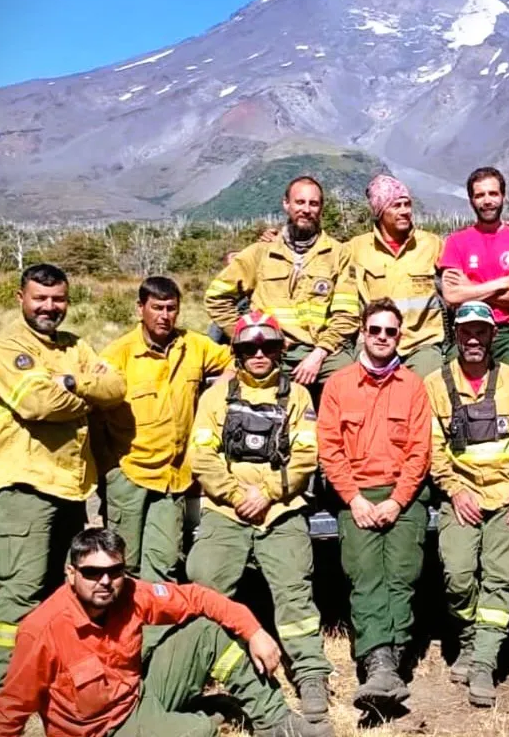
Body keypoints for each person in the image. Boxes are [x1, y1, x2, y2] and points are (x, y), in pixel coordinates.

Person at [0, 527, 333, 737]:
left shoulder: (131, 594)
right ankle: (209, 714)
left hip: (137, 695)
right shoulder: (42, 630)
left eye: (114, 570)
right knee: (199, 731)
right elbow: (10, 708)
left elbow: (197, 597)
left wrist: (255, 630)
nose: (105, 581)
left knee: (205, 631)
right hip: (105, 731)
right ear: (71, 573)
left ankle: (275, 721)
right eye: (92, 572)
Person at [185, 310, 332, 723]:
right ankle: (203, 668)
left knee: (295, 594)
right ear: (237, 352)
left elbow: (305, 456)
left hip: (280, 511)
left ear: (281, 350)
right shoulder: (217, 396)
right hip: (227, 510)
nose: (260, 354)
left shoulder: (297, 397)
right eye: (250, 347)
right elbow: (203, 455)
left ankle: (310, 673)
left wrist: (267, 493)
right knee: (205, 582)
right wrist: (236, 495)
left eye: (268, 346)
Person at [0, 263, 126, 695]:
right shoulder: (7, 345)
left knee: (59, 590)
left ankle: (48, 679)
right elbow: (35, 403)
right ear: (21, 298)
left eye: (58, 299)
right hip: (24, 486)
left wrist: (68, 380)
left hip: (71, 489)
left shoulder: (75, 346)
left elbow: (117, 388)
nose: (49, 307)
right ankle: (1, 690)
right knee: (20, 592)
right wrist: (87, 394)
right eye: (40, 299)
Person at [424, 299, 509, 705]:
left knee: (500, 577)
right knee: (458, 576)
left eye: (481, 332)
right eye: (466, 332)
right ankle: (471, 639)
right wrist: (454, 489)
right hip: (461, 498)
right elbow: (433, 447)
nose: (473, 339)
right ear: (455, 335)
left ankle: (482, 665)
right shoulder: (434, 384)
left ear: (494, 335)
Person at [317, 298, 432, 710]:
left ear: (399, 336)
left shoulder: (413, 385)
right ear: (362, 333)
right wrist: (354, 499)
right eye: (375, 330)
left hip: (404, 495)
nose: (383, 337)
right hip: (358, 495)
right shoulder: (340, 384)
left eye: (391, 331)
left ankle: (392, 662)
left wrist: (399, 501)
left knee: (402, 575)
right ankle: (377, 661)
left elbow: (420, 450)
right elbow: (330, 449)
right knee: (365, 576)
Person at [92, 276, 233, 582]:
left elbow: (237, 359)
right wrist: (111, 472)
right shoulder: (118, 354)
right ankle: (123, 627)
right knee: (123, 562)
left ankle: (156, 628)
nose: (165, 316)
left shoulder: (193, 345)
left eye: (171, 308)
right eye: (157, 307)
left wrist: (220, 387)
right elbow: (95, 414)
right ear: (140, 307)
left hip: (175, 478)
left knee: (165, 561)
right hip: (129, 473)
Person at [204, 176, 358, 394]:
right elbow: (216, 298)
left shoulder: (339, 254)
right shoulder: (261, 252)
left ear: (321, 208)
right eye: (300, 202)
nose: (306, 209)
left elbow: (347, 315)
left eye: (313, 204)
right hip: (267, 348)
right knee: (224, 393)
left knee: (351, 377)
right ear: (286, 204)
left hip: (319, 350)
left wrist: (319, 353)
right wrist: (248, 334)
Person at [439, 166, 509, 371]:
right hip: (467, 330)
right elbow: (452, 296)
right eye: (480, 195)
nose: (487, 201)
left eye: (493, 193)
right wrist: (506, 282)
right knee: (450, 382)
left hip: (508, 334)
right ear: (471, 200)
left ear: (503, 197)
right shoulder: (456, 242)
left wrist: (470, 289)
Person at [345, 175, 445, 377]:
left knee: (430, 386)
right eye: (396, 206)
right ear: (380, 211)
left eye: (407, 204)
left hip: (421, 345)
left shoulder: (433, 244)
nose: (405, 211)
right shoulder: (354, 249)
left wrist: (498, 228)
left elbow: (466, 260)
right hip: (375, 343)